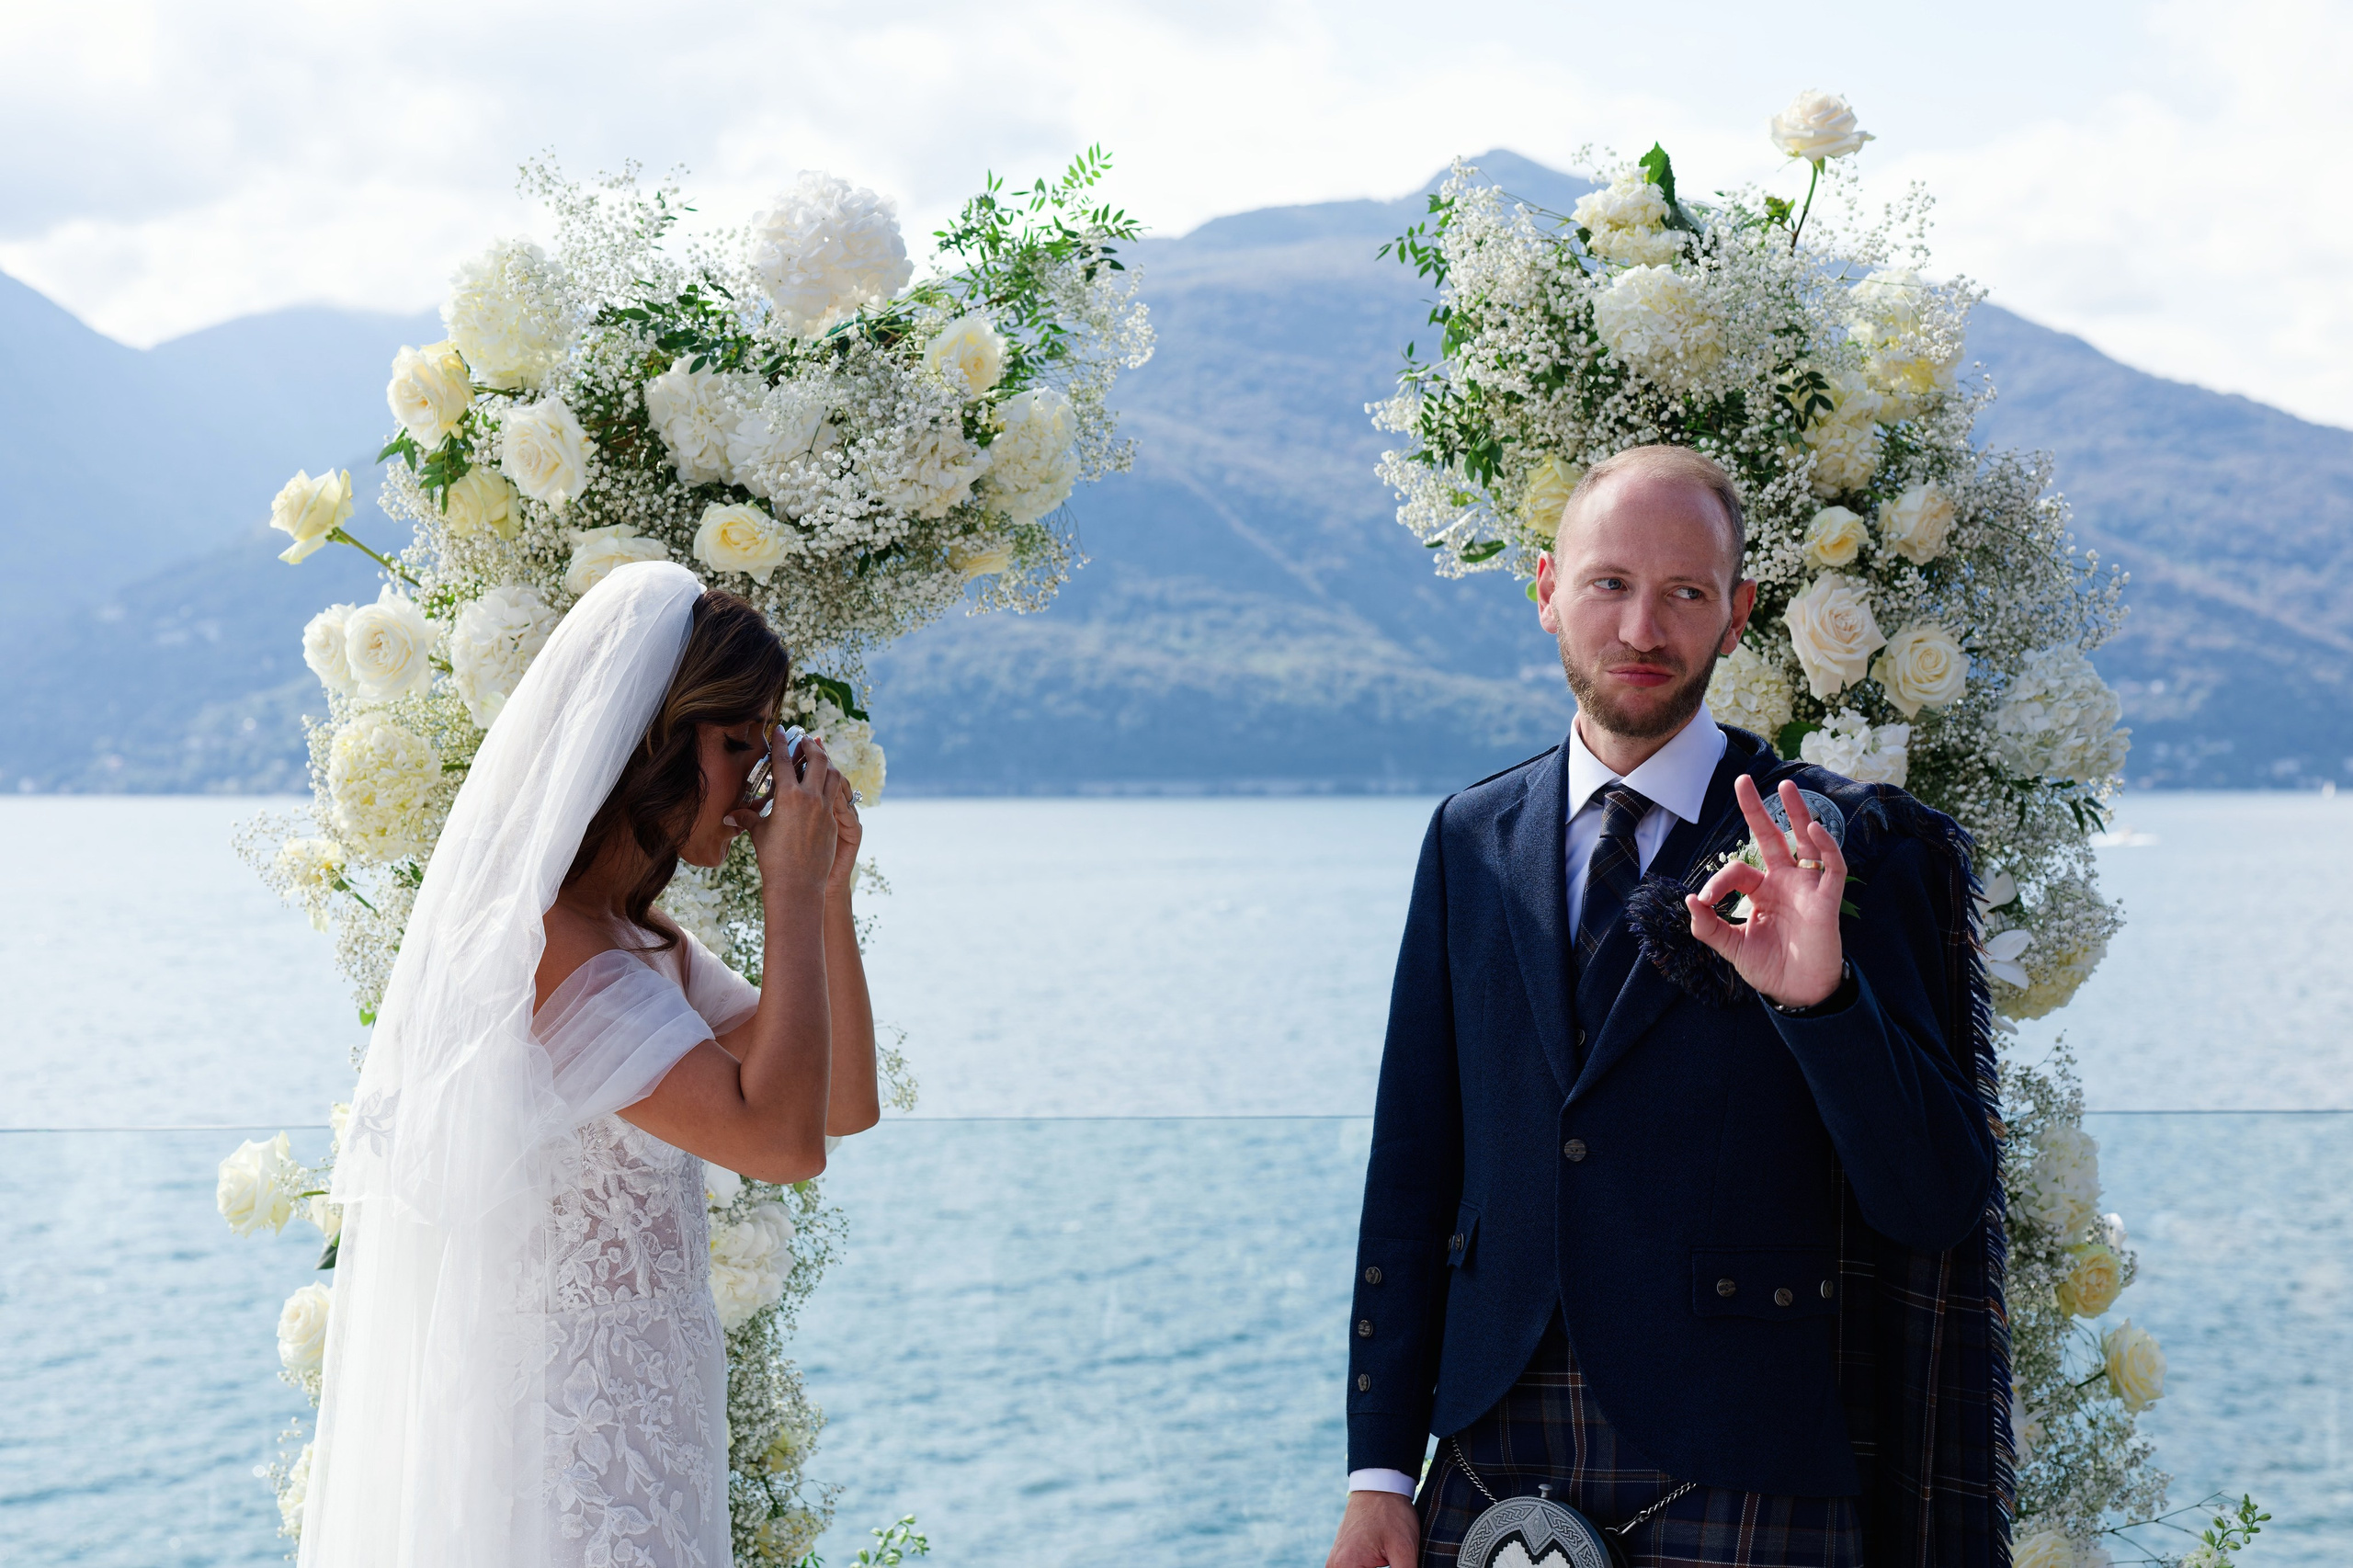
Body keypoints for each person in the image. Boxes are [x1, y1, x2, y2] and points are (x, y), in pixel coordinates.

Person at [1324, 447, 2005, 1568]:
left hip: (1747, 1461)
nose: (1642, 627)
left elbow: (1933, 1197)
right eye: (1608, 583)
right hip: (1491, 1451)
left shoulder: (1838, 848)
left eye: (1685, 592)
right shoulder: (1467, 838)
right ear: (1545, 589)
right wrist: (1380, 1472)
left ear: (1736, 615)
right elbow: (1412, 1169)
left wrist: (1822, 1001)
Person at [298, 561, 880, 1568]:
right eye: (737, 742)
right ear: (653, 735)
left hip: (651, 1437)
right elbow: (780, 1143)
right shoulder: (551, 956)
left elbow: (843, 1102)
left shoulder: (638, 945)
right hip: (565, 1468)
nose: (753, 783)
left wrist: (825, 890)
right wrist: (783, 890)